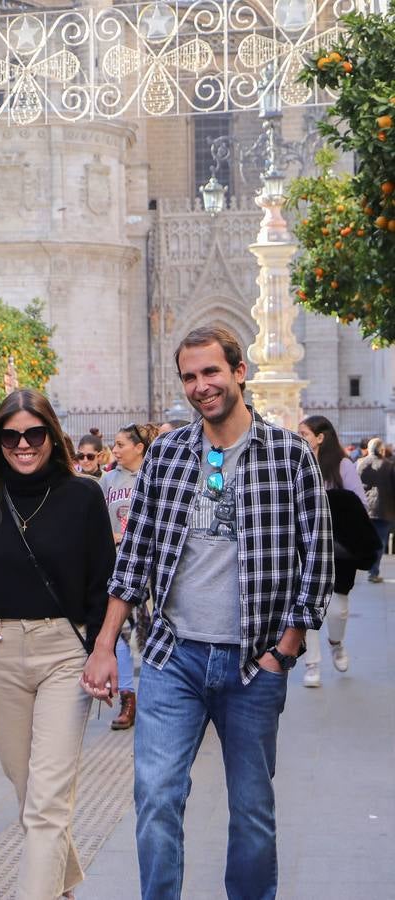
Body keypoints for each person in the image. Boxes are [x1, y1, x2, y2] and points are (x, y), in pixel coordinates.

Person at [81, 326, 334, 900]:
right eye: (190, 376)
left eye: (211, 372)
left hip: (253, 666)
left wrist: (285, 649)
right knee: (156, 798)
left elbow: (316, 560)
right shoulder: (167, 455)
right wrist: (104, 645)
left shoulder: (290, 456)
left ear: (239, 372)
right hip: (174, 658)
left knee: (251, 811)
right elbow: (136, 552)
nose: (201, 386)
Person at [0, 389, 115, 900]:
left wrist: (99, 647)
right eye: (12, 435)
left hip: (65, 650)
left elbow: (103, 580)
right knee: (28, 792)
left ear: (52, 435)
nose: (23, 445)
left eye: (34, 434)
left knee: (46, 803)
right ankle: (59, 883)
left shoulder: (83, 495)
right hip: (0, 650)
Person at [298, 415, 377, 687]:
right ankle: (312, 665)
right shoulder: (296, 462)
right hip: (305, 545)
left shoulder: (343, 465)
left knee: (337, 610)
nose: (301, 438)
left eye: (304, 433)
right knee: (305, 606)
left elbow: (360, 505)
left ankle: (336, 642)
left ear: (320, 437)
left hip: (339, 547)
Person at [99, 423, 157, 730]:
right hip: (117, 566)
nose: (115, 450)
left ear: (139, 447)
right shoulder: (108, 479)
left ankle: (153, 697)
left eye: (121, 444)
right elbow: (94, 520)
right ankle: (128, 697)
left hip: (150, 570)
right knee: (118, 633)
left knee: (149, 635)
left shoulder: (155, 475)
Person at [357, 437, 395, 582]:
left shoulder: (360, 463)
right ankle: (373, 572)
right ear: (381, 450)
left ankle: (363, 567)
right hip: (384, 510)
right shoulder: (389, 465)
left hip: (364, 509)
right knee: (380, 541)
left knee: (365, 539)